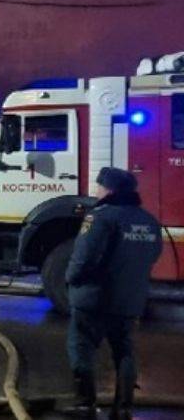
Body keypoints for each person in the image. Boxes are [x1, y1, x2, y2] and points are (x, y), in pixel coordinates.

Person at [64, 167, 162, 419]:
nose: (96, 191)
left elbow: (84, 257)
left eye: (99, 187)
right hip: (129, 301)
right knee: (124, 350)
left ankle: (84, 403)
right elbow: (153, 256)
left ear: (108, 190)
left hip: (95, 298)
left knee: (81, 347)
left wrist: (70, 279)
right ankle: (124, 406)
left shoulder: (100, 217)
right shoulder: (149, 221)